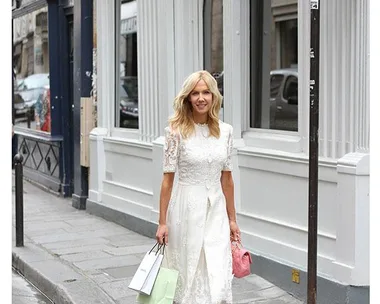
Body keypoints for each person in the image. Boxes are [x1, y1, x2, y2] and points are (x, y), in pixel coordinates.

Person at [156, 70, 241, 304]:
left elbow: (227, 179)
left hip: (216, 208)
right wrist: (162, 222)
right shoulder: (175, 132)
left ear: (214, 97)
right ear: (188, 98)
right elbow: (167, 181)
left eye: (206, 92)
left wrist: (232, 219)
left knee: (217, 266)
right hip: (186, 207)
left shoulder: (226, 132)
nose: (201, 98)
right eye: (195, 93)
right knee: (188, 265)